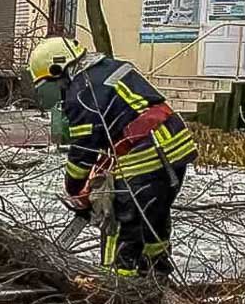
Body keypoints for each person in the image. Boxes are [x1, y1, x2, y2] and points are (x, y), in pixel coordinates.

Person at [27, 37, 196, 278]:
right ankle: (155, 275)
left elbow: (83, 151)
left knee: (120, 222)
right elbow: (117, 122)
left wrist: (75, 189)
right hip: (174, 144)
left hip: (148, 154)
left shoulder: (81, 93)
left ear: (57, 70)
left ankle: (117, 282)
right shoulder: (108, 68)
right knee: (153, 219)